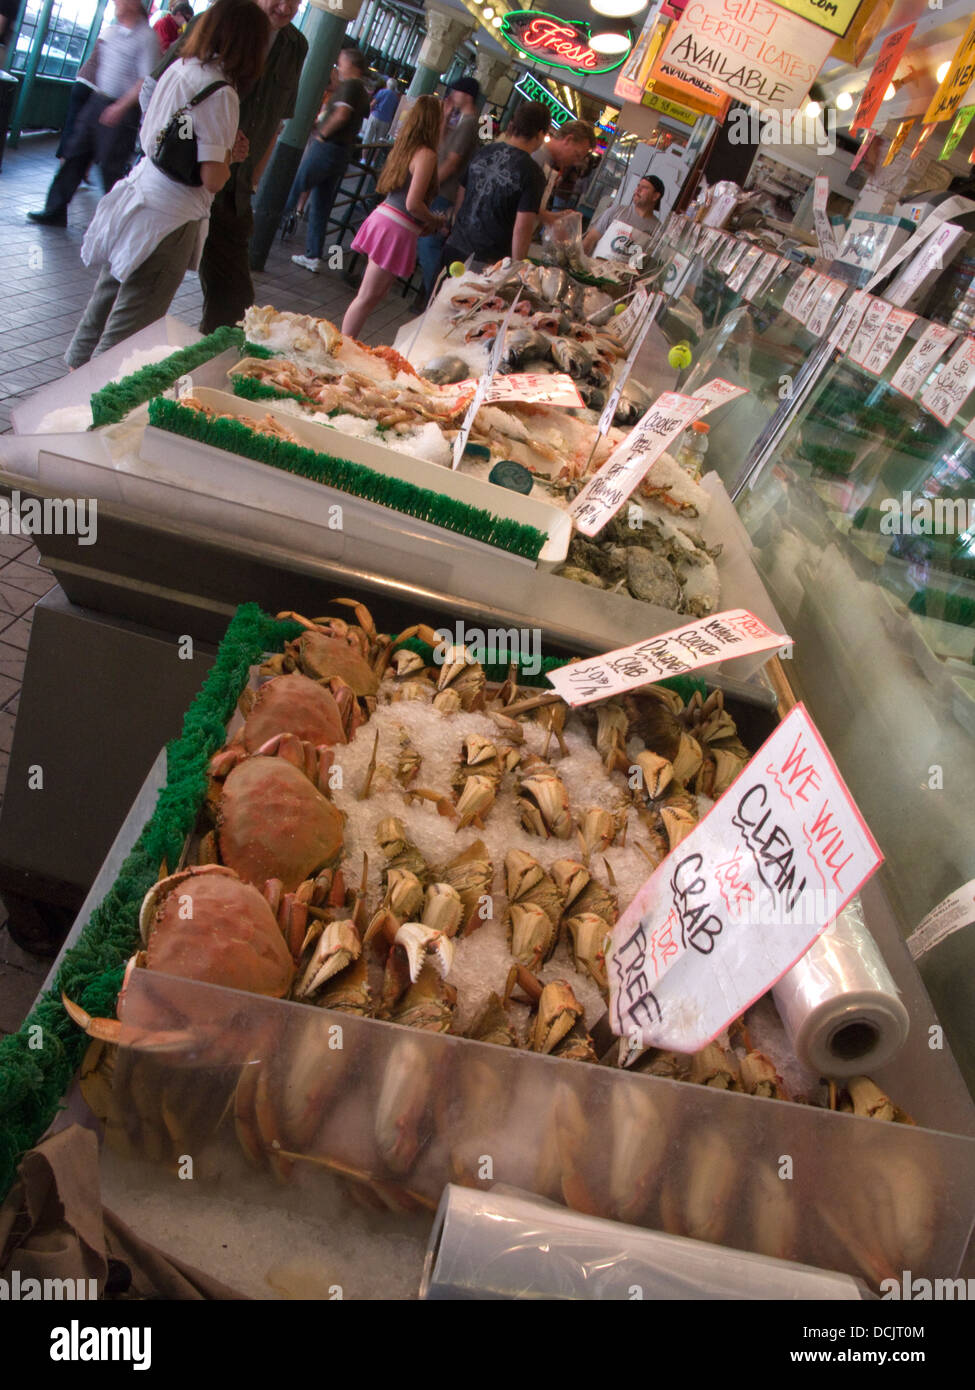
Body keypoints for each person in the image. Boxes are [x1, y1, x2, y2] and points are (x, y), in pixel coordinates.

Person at [65, 0, 267, 367]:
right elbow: (212, 178)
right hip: (170, 220)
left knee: (104, 304)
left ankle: (69, 380)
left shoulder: (182, 67)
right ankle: (84, 410)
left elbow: (164, 132)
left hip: (139, 194)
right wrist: (229, 158)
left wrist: (219, 152)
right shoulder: (222, 92)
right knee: (129, 332)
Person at [146, 0, 307, 331]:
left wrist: (253, 182)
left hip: (234, 188)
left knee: (234, 304)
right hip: (182, 183)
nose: (286, 6)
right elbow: (157, 88)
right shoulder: (214, 20)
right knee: (147, 291)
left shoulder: (295, 46)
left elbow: (277, 121)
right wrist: (175, 153)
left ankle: (205, 369)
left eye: (297, 0)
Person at [27, 0, 160, 225]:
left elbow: (144, 80)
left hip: (121, 109)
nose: (115, 3)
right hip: (97, 100)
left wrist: (120, 107)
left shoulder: (147, 38)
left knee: (111, 168)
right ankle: (55, 210)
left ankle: (118, 222)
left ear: (134, 3)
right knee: (75, 155)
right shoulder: (112, 31)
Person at [341, 95, 445, 340]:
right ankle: (342, 347)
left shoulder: (404, 147)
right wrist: (435, 220)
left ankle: (344, 344)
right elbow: (413, 203)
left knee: (369, 296)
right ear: (433, 122)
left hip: (385, 218)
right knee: (367, 297)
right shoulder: (427, 155)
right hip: (397, 227)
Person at [285, 46, 371, 273]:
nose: (338, 65)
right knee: (322, 204)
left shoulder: (350, 86)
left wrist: (323, 134)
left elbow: (342, 114)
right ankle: (313, 255)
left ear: (350, 64)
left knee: (296, 186)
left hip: (328, 147)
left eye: (340, 61)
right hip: (342, 152)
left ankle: (263, 229)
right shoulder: (361, 90)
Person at [440, 100, 551, 271]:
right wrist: (517, 267)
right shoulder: (532, 173)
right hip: (487, 261)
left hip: (455, 244)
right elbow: (523, 226)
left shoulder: (485, 151)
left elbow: (461, 193)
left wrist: (455, 228)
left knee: (437, 296)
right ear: (540, 133)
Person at [416, 75, 480, 301]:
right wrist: (443, 120)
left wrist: (428, 183)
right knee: (426, 241)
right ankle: (436, 294)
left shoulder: (469, 124)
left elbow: (452, 162)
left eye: (456, 91)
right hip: (442, 191)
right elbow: (442, 148)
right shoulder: (462, 121)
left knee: (427, 243)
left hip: (444, 193)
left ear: (467, 95)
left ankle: (440, 296)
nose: (452, 95)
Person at [583, 173, 664, 256]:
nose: (637, 190)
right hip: (596, 267)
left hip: (627, 268)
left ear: (655, 196)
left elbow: (645, 262)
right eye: (638, 186)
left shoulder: (657, 229)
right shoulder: (615, 211)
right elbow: (591, 239)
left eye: (644, 188)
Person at [533, 118, 595, 210]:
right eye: (576, 155)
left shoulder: (551, 163)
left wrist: (552, 218)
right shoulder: (537, 160)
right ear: (568, 140)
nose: (575, 162)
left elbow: (533, 208)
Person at [361, 77, 400, 144]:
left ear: (387, 84)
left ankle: (363, 154)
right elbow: (394, 111)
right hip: (386, 122)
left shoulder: (382, 92)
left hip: (375, 116)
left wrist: (368, 113)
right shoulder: (396, 98)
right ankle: (374, 154)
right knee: (379, 142)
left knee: (367, 139)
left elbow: (372, 104)